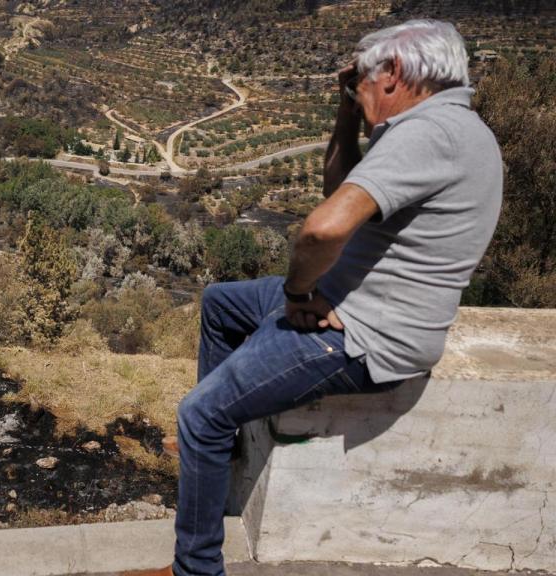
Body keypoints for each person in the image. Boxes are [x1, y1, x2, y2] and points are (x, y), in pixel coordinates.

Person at [128, 19, 503, 576]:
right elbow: (340, 189)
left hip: (360, 336)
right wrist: (349, 110)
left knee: (199, 414)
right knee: (222, 304)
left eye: (365, 81)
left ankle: (197, 567)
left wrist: (299, 291)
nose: (360, 89)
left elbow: (322, 228)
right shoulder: (443, 127)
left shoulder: (431, 134)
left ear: (395, 73)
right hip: (355, 306)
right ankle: (223, 457)